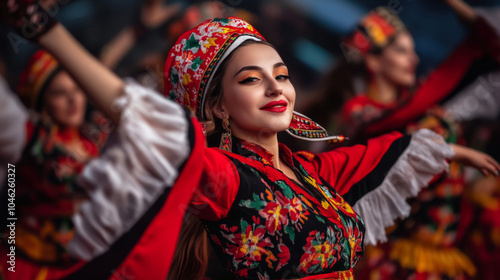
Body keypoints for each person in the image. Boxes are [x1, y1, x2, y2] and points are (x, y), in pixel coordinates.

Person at [1, 1, 499, 279]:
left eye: (280, 74)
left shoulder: (312, 173)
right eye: (250, 79)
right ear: (217, 106)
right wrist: (45, 30)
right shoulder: (226, 179)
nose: (274, 87)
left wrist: (451, 150)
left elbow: (380, 151)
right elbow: (151, 124)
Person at [319, 3, 500, 280]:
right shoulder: (360, 113)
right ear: (374, 61)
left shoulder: (421, 106)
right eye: (402, 51)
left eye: (414, 51)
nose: (414, 59)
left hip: (433, 251)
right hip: (380, 253)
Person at [0, 50, 109, 279]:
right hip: (28, 265)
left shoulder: (92, 141)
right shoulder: (31, 145)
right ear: (42, 102)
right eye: (60, 93)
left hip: (83, 263)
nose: (73, 100)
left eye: (77, 89)